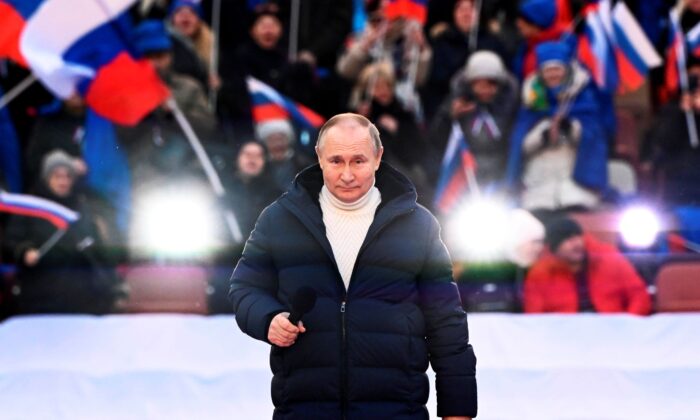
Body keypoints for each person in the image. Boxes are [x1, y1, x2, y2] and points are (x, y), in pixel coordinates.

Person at [229, 113, 477, 419]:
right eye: (336, 161)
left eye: (358, 161)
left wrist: (458, 411)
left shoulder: (418, 225)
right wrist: (268, 319)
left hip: (397, 411)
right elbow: (244, 288)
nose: (347, 174)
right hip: (305, 410)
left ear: (378, 158)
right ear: (319, 157)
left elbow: (447, 325)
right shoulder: (278, 219)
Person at [3, 150, 123, 314]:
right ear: (46, 178)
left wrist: (112, 286)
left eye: (68, 176)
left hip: (81, 298)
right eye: (57, 176)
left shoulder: (80, 207)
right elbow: (10, 241)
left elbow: (98, 251)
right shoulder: (31, 207)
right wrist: (24, 252)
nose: (63, 181)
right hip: (40, 298)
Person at [506, 40, 608, 212]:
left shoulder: (584, 101)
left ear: (566, 70)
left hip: (576, 188)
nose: (553, 75)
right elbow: (520, 145)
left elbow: (593, 140)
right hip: (538, 189)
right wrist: (543, 135)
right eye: (548, 70)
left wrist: (568, 129)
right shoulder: (531, 102)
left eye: (557, 69)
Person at [524, 217, 652, 315]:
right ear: (554, 249)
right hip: (564, 337)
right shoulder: (539, 273)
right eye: (567, 240)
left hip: (612, 332)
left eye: (578, 236)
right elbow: (535, 317)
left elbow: (639, 295)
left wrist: (628, 324)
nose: (577, 243)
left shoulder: (609, 257)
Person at [255, 119, 314, 191]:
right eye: (272, 140)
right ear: (266, 143)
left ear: (288, 140)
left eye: (280, 139)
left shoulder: (304, 163)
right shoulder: (260, 167)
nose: (277, 144)